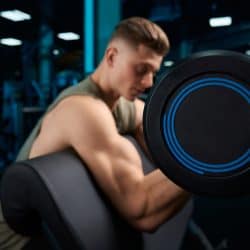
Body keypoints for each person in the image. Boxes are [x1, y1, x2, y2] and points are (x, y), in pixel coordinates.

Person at [0, 16, 191, 249]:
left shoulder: (121, 103)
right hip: (19, 242)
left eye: (153, 72)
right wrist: (208, 159)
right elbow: (143, 210)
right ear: (111, 57)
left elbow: (161, 136)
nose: (149, 82)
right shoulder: (83, 109)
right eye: (141, 69)